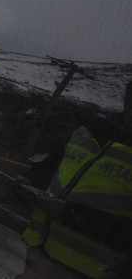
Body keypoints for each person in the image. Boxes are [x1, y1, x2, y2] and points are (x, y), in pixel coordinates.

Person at [15, 81, 132, 279]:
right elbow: (52, 168)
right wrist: (29, 183)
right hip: (36, 255)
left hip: (94, 272)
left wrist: (69, 214)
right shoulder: (92, 129)